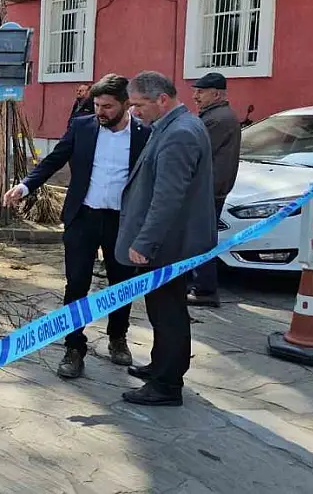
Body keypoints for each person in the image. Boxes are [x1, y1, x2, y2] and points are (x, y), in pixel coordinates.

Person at [4, 75, 150, 379]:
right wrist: (25, 187)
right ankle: (73, 347)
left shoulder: (144, 134)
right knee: (76, 284)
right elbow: (54, 160)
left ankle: (117, 338)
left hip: (121, 222)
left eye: (108, 106)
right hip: (83, 217)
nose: (101, 112)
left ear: (125, 104)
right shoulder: (82, 127)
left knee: (120, 285)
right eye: (97, 105)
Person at [117, 70, 216, 407]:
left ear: (162, 99)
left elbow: (168, 198)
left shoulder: (180, 134)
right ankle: (161, 366)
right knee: (161, 312)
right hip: (170, 242)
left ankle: (166, 384)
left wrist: (144, 243)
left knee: (169, 312)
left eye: (138, 105)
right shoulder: (175, 126)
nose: (134, 112)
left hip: (168, 246)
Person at [188, 72, 241, 308]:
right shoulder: (217, 116)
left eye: (200, 92)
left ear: (216, 94)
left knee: (201, 239)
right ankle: (197, 284)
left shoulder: (217, 119)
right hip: (211, 188)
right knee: (198, 237)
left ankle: (205, 290)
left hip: (208, 190)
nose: (195, 96)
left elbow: (193, 150)